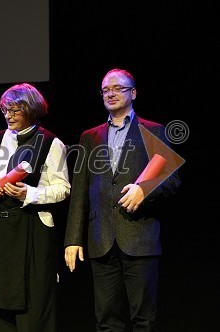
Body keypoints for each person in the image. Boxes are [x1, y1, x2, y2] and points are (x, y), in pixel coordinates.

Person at [64, 68, 181, 331]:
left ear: (134, 92)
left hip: (139, 236)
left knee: (144, 320)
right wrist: (72, 238)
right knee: (106, 322)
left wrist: (145, 190)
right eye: (106, 90)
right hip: (100, 238)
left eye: (118, 88)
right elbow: (80, 190)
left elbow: (172, 179)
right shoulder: (89, 137)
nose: (111, 94)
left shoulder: (153, 131)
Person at [0, 83, 71, 331]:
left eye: (15, 110)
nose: (8, 115)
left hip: (32, 229)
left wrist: (31, 193)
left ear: (31, 109)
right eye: (5, 110)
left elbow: (63, 189)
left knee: (33, 305)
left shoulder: (50, 142)